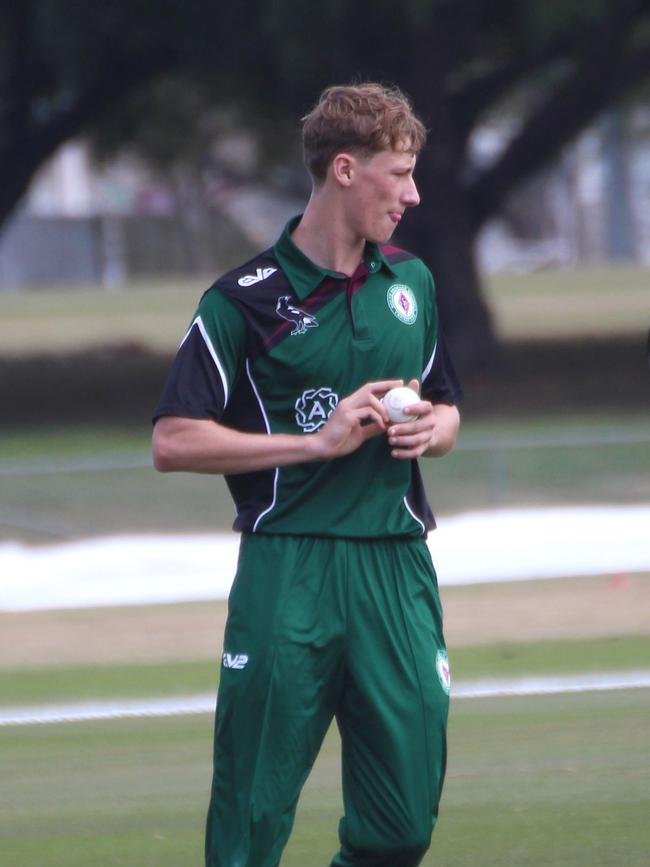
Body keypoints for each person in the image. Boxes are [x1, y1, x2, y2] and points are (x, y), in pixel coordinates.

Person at [152, 82, 463, 867]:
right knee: (248, 828)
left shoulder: (412, 285)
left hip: (395, 563)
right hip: (287, 566)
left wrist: (433, 428)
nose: (414, 194)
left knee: (402, 828)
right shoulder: (240, 301)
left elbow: (449, 410)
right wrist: (312, 443)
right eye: (401, 173)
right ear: (348, 170)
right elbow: (174, 440)